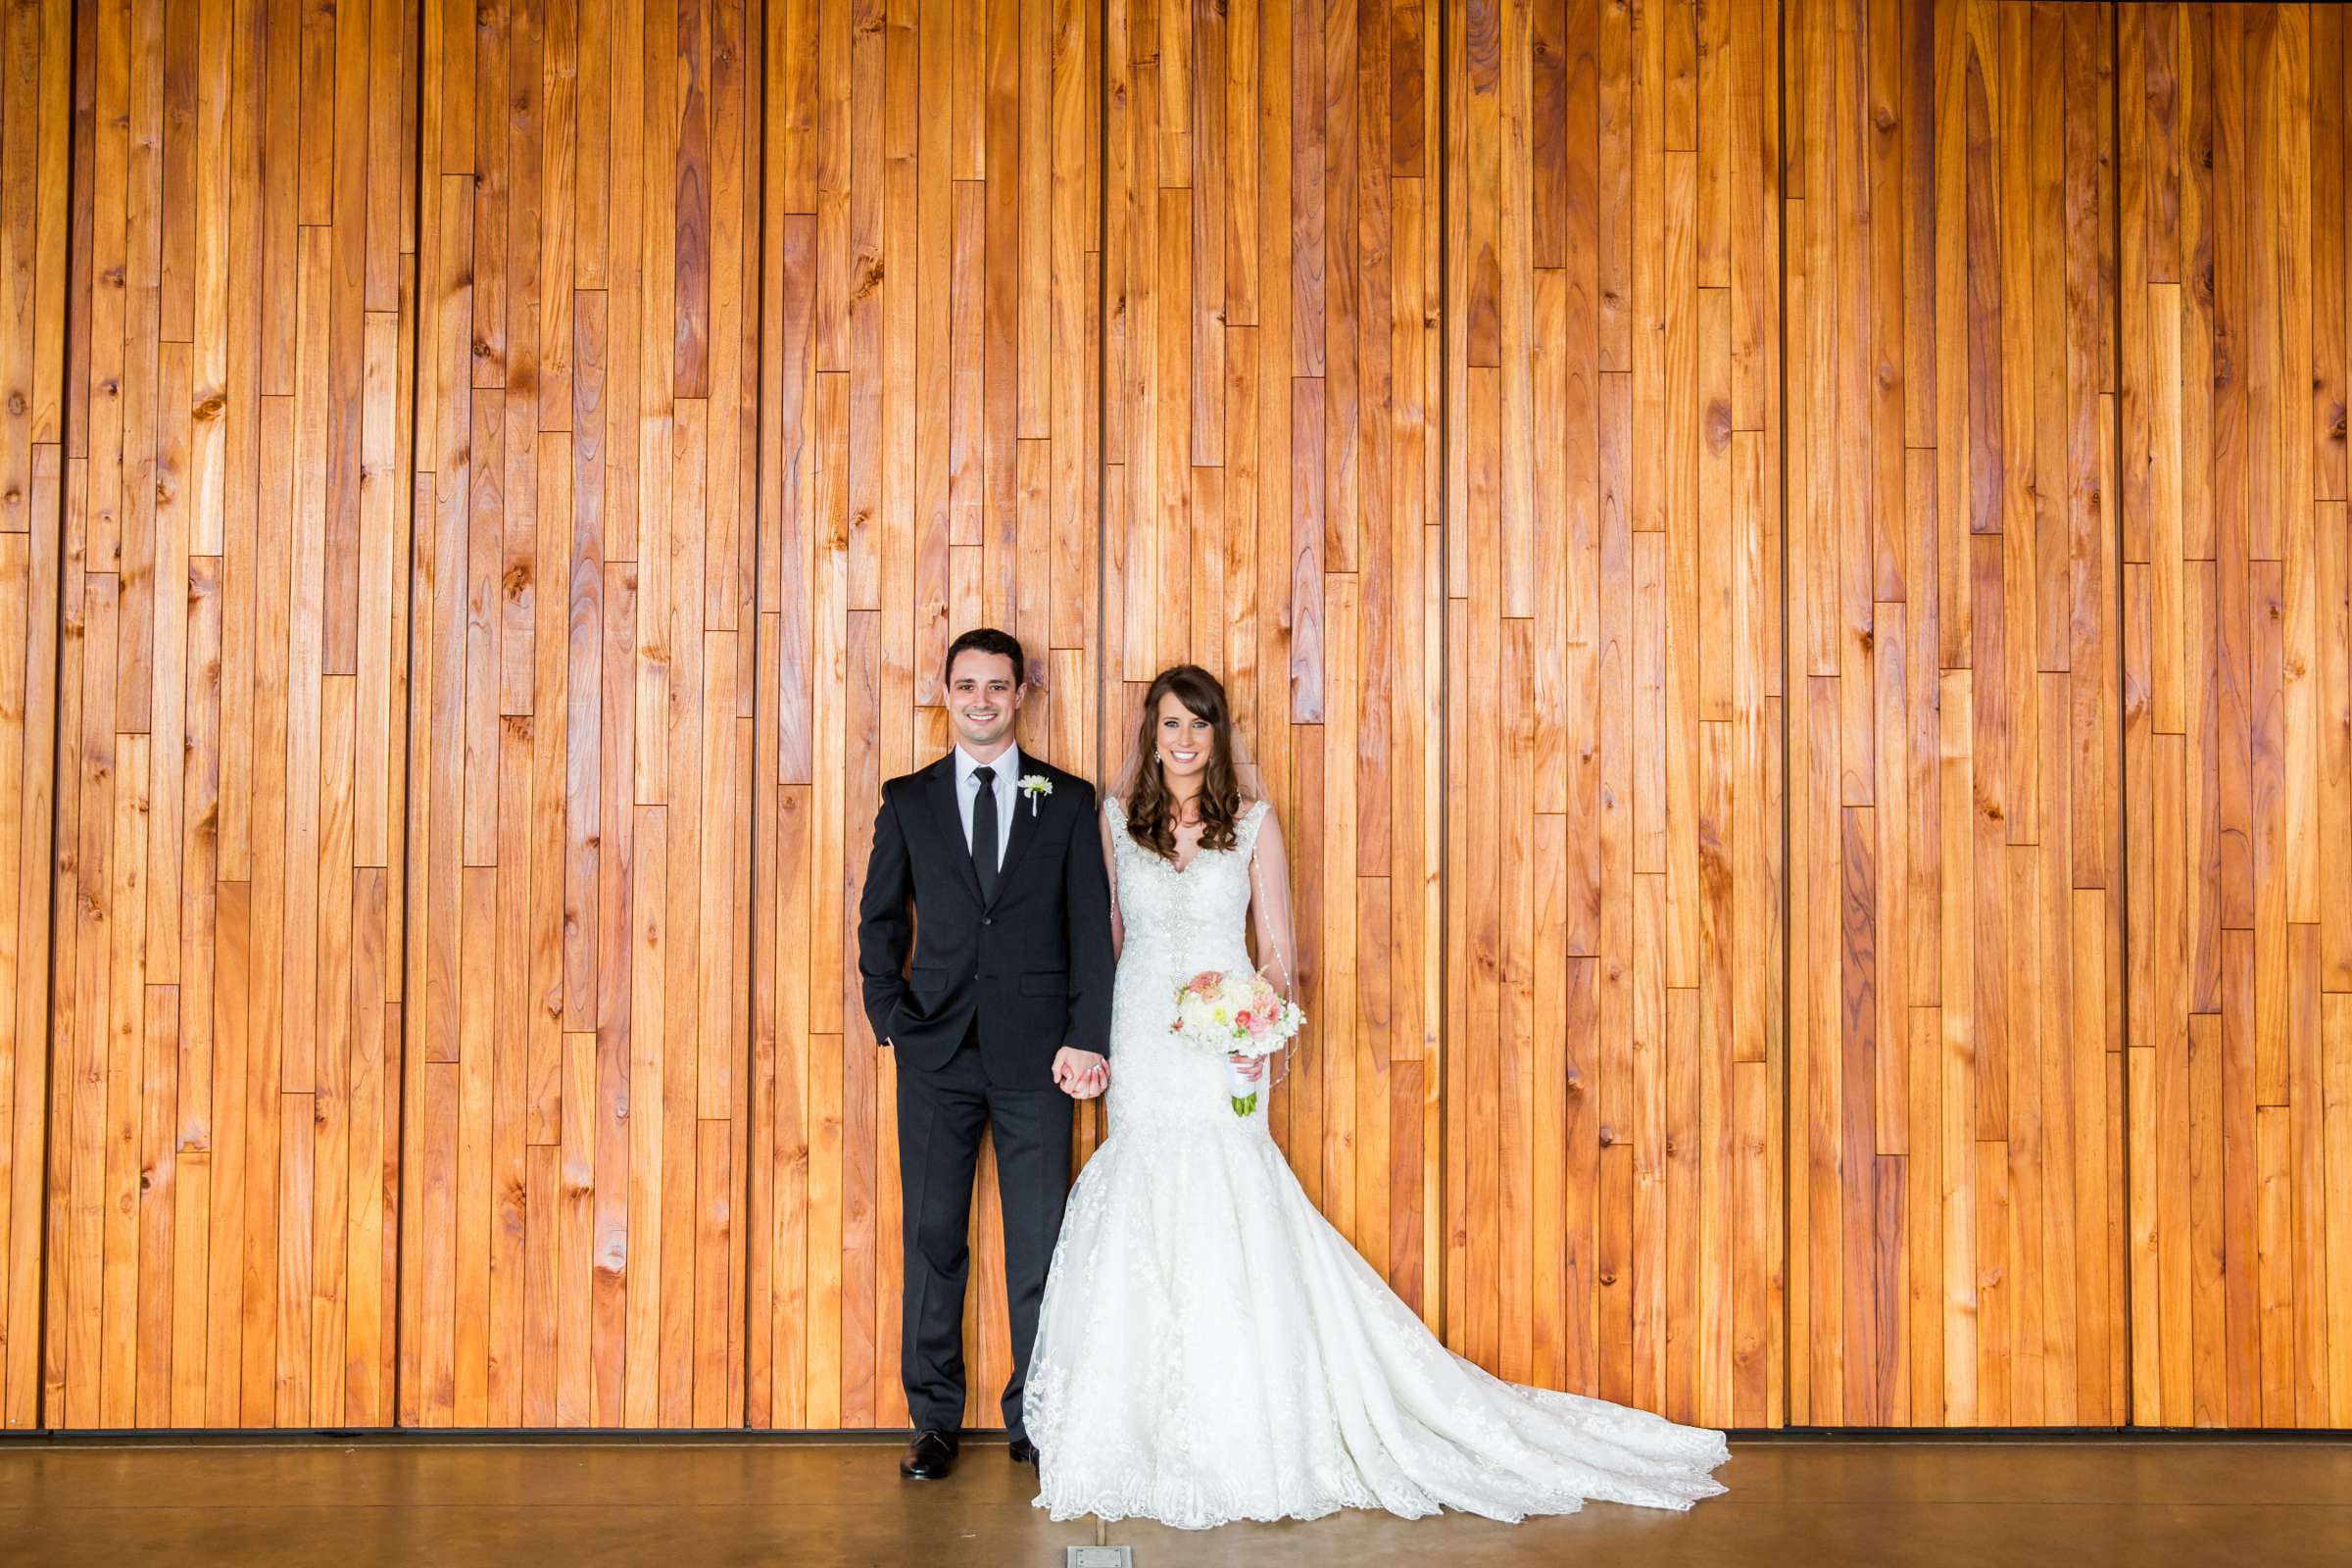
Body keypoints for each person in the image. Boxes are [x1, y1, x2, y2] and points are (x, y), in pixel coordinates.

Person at [1023, 664, 1731, 1528]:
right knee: (1142, 1195)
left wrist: (1257, 1030)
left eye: (1199, 726)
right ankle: (1137, 1426)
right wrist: (1090, 1035)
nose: (1183, 741)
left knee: (1229, 1194)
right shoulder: (1112, 824)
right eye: (1170, 725)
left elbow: (1278, 951)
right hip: (1142, 1033)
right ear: (1151, 732)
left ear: (1218, 736)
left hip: (1219, 1047)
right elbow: (1107, 939)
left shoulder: (1251, 824)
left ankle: (1250, 1420)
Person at [857, 627, 1114, 1481]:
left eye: (996, 687)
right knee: (934, 1242)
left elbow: (1090, 935)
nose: (981, 700)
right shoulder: (909, 799)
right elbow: (881, 923)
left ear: (1021, 694)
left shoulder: (1069, 801)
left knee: (1039, 1244)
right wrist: (891, 1018)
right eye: (966, 686)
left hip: (1039, 1060)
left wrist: (1087, 1035)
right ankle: (932, 1420)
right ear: (946, 691)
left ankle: (1032, 1419)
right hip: (935, 1054)